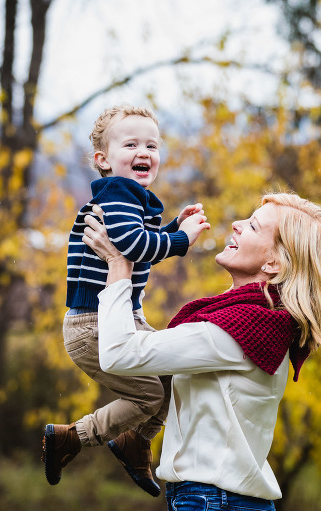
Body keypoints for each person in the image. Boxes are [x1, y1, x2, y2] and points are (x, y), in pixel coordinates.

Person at [81, 192, 321, 509]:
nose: (237, 224)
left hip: (213, 501)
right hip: (222, 500)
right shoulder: (259, 326)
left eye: (253, 226)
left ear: (273, 262)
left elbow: (119, 353)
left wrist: (118, 263)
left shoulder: (243, 330)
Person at [42, 104, 210, 496]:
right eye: (130, 143)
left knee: (174, 374)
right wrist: (181, 239)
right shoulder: (118, 193)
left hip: (122, 318)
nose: (144, 152)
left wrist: (171, 227)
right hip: (92, 325)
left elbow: (134, 243)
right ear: (102, 159)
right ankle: (71, 437)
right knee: (150, 393)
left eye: (152, 144)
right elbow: (132, 245)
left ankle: (135, 441)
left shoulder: (131, 198)